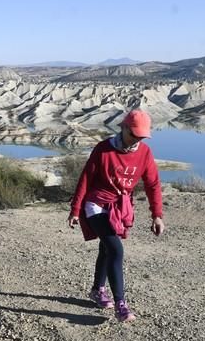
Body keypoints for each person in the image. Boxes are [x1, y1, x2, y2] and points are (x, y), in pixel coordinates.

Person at [68, 109, 165, 322]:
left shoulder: (145, 153)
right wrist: (75, 210)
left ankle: (97, 290)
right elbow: (85, 179)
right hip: (96, 205)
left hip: (120, 207)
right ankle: (121, 304)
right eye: (134, 134)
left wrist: (157, 215)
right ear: (123, 128)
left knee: (106, 248)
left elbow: (153, 184)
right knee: (115, 249)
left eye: (142, 136)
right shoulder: (103, 150)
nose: (137, 139)